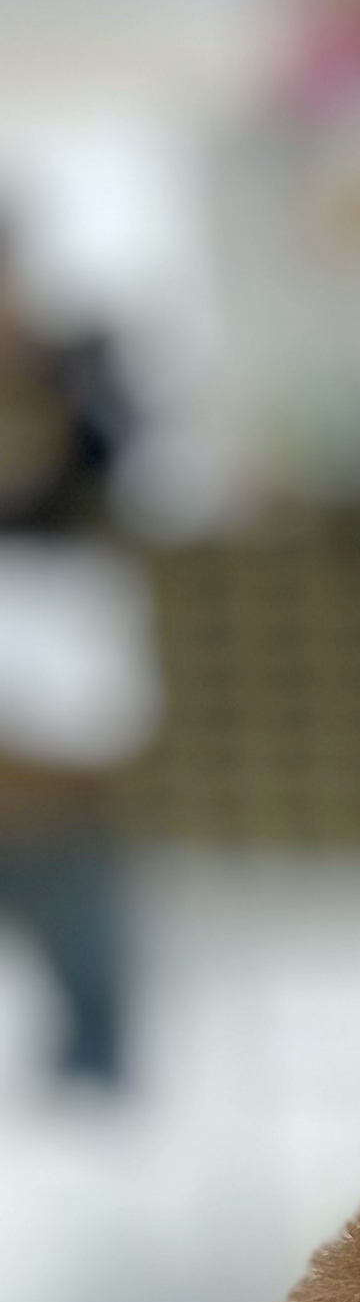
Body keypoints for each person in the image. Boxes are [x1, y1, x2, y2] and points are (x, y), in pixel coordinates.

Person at [0, 228, 158, 1086]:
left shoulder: (75, 367)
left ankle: (94, 1048)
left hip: (62, 637)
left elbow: (125, 465)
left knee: (69, 857)